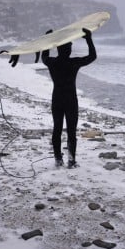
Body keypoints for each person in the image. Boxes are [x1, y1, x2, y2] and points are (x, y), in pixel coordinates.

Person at [41, 28, 96, 168]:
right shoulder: (74, 63)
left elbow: (44, 56)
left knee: (57, 129)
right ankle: (71, 161)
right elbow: (92, 57)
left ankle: (58, 160)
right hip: (71, 101)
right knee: (71, 131)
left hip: (57, 99)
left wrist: (47, 40)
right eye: (69, 47)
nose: (70, 49)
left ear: (58, 49)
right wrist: (88, 38)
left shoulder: (52, 62)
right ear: (68, 50)